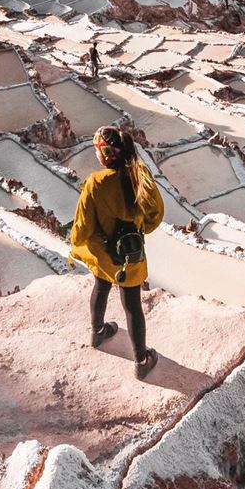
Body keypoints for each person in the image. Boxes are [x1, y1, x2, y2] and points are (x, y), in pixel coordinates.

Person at [69, 126, 164, 379]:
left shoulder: (94, 184)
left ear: (106, 154)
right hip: (130, 254)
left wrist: (75, 245)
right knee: (132, 305)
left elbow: (82, 226)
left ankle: (97, 332)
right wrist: (140, 226)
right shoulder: (139, 175)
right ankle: (141, 361)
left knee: (100, 287)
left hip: (104, 253)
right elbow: (155, 215)